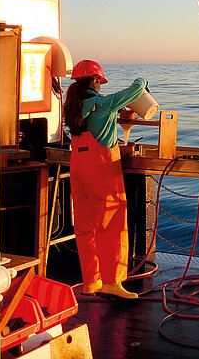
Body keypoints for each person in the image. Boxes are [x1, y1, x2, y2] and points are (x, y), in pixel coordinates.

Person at [63, 59, 148, 299]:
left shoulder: (73, 106)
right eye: (100, 81)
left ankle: (92, 281)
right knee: (112, 224)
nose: (100, 85)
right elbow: (134, 91)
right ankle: (111, 281)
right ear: (95, 80)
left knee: (85, 226)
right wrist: (143, 81)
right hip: (102, 170)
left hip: (79, 168)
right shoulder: (103, 104)